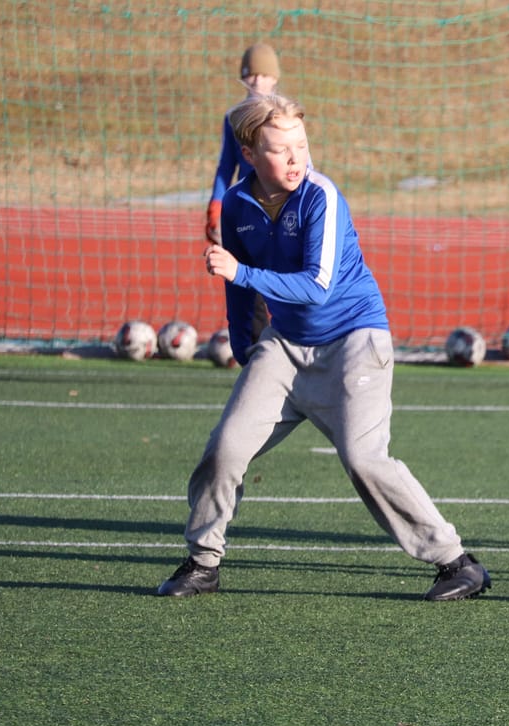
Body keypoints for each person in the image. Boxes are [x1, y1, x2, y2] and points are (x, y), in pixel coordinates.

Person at [157, 92, 490, 601]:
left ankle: (456, 562)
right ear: (249, 155)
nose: (295, 159)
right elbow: (239, 291)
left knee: (363, 459)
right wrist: (248, 351)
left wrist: (240, 270)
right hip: (285, 346)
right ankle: (203, 562)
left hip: (354, 340)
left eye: (302, 146)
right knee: (224, 449)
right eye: (280, 149)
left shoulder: (322, 197)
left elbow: (318, 286)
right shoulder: (239, 205)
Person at [205, 43, 282, 246]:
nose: (257, 81)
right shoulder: (233, 117)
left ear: (274, 78)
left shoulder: (285, 114)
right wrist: (216, 206)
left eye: (264, 75)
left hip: (281, 204)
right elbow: (226, 166)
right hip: (246, 204)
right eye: (252, 74)